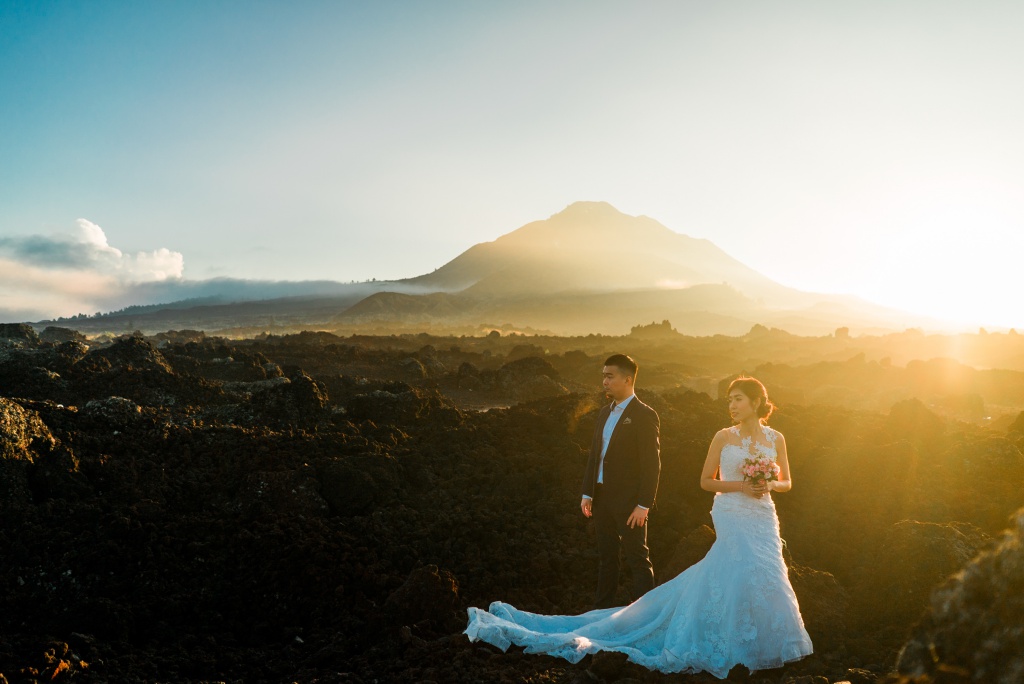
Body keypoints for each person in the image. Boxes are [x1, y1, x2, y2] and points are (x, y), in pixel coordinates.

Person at [465, 376, 813, 679]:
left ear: (756, 402)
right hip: (732, 510)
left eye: (737, 399)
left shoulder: (776, 438)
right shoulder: (723, 437)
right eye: (729, 400)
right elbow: (706, 481)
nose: (732, 406)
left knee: (767, 571)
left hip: (763, 513)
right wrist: (743, 486)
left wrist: (767, 485)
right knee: (739, 568)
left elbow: (787, 482)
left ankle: (766, 645)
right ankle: (734, 644)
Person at [579, 353, 661, 609]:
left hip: (630, 504)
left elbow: (652, 465)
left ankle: (645, 615)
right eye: (603, 376)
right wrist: (587, 493)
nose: (604, 381)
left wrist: (644, 505)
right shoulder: (604, 413)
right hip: (601, 498)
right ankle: (601, 612)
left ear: (627, 379)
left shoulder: (645, 415)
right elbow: (595, 455)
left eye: (609, 376)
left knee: (638, 559)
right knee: (607, 558)